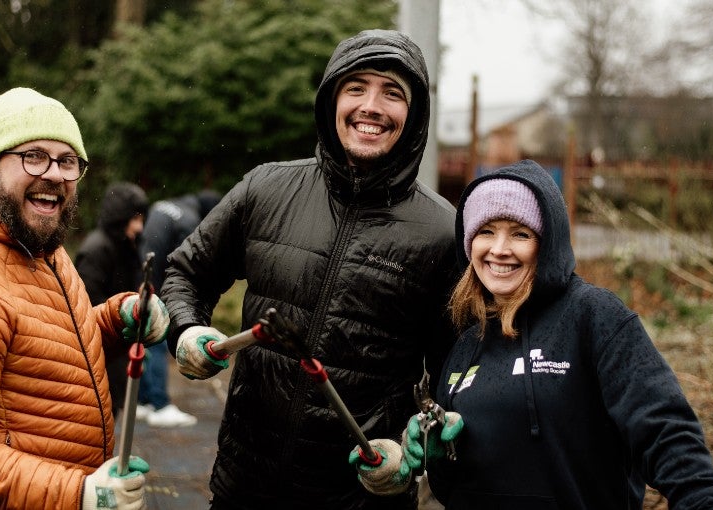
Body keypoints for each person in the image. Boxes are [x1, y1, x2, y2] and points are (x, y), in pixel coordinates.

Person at [159, 29, 459, 509]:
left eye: (393, 93)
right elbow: (183, 274)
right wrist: (186, 330)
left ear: (415, 114)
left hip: (359, 500)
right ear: (331, 100)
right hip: (243, 488)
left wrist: (413, 452)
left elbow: (458, 377)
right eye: (356, 87)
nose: (372, 106)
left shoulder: (445, 232)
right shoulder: (266, 188)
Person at [351, 160, 713, 509]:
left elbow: (664, 430)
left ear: (546, 243)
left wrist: (703, 501)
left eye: (520, 234)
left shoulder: (593, 317)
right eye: (486, 231)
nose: (499, 250)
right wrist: (435, 456)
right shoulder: (466, 344)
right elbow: (454, 490)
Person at [0, 87, 171, 509]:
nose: (55, 174)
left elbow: (43, 347)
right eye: (34, 156)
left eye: (67, 161)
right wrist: (78, 494)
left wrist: (117, 319)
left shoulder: (42, 252)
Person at [133, 190, 220, 428]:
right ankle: (160, 405)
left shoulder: (165, 203)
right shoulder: (190, 220)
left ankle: (142, 401)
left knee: (141, 339)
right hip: (156, 283)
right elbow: (185, 265)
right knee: (157, 340)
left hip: (138, 274)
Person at [75, 181, 150, 419]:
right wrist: (123, 314)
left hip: (118, 343)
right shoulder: (97, 249)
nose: (139, 226)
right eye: (134, 219)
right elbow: (86, 301)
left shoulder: (125, 245)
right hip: (101, 346)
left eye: (142, 219)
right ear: (121, 217)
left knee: (115, 408)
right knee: (101, 412)